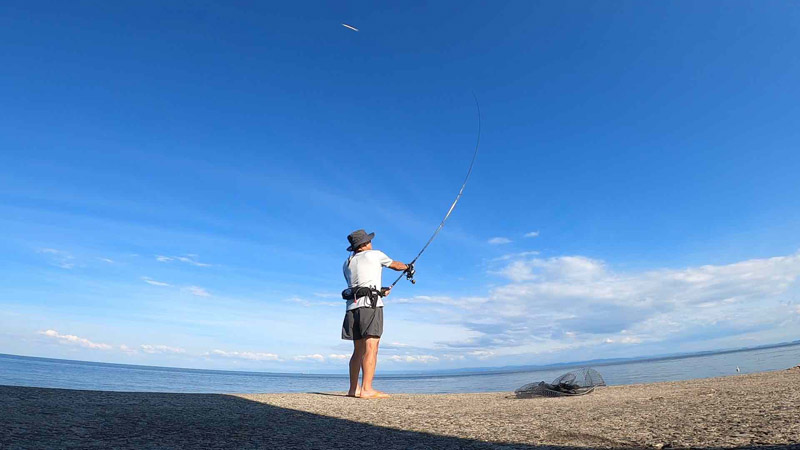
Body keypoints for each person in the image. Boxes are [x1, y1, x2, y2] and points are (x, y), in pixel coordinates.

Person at [341, 229, 409, 399]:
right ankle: (367, 389)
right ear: (365, 244)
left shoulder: (347, 263)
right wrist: (408, 266)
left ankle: (353, 389)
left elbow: (360, 284)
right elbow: (396, 265)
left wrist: (379, 291)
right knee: (372, 347)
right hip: (370, 307)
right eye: (369, 241)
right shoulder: (375, 255)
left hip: (352, 308)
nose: (371, 243)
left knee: (358, 350)